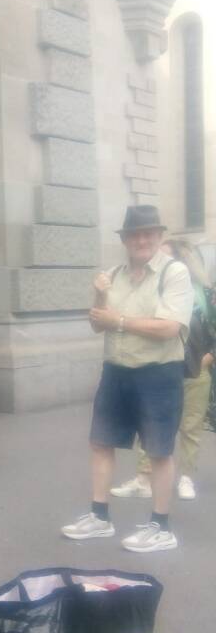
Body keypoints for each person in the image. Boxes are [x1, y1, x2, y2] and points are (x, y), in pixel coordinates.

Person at [61, 205, 194, 552]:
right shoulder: (113, 275)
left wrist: (118, 321)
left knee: (158, 450)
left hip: (158, 373)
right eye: (134, 234)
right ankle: (99, 517)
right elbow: (97, 323)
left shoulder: (174, 272)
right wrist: (99, 293)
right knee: (101, 442)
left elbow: (169, 328)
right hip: (116, 371)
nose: (141, 240)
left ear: (159, 236)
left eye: (148, 233)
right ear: (125, 239)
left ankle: (161, 527)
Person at [111, 238, 216, 502]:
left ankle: (186, 477)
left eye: (166, 257)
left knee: (190, 426)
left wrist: (208, 358)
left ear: (183, 262)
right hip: (159, 368)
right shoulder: (155, 289)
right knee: (150, 423)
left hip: (194, 370)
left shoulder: (205, 295)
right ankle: (144, 479)